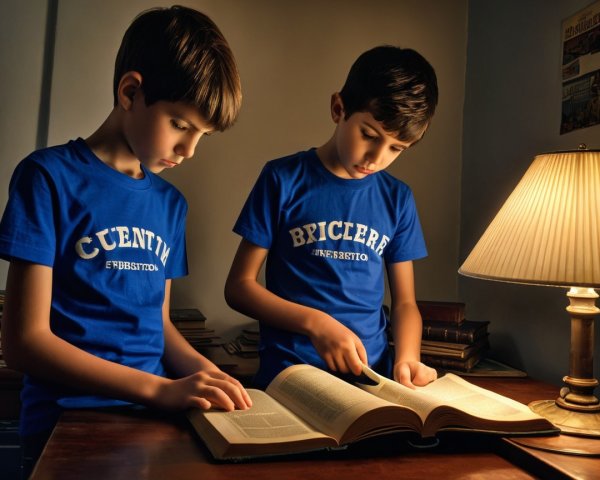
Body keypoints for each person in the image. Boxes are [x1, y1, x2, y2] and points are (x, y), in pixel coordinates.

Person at [0, 5, 251, 475]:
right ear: (130, 92)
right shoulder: (47, 178)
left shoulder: (171, 205)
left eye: (203, 136)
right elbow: (23, 341)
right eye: (180, 125)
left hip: (154, 419)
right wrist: (158, 389)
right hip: (68, 421)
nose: (189, 151)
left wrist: (201, 370)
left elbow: (158, 326)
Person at [225, 45, 439, 391]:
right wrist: (316, 324)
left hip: (370, 379)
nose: (376, 157)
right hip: (291, 376)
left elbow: (405, 303)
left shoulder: (397, 198)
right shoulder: (282, 179)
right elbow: (239, 288)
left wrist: (408, 358)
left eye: (396, 149)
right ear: (338, 108)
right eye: (369, 135)